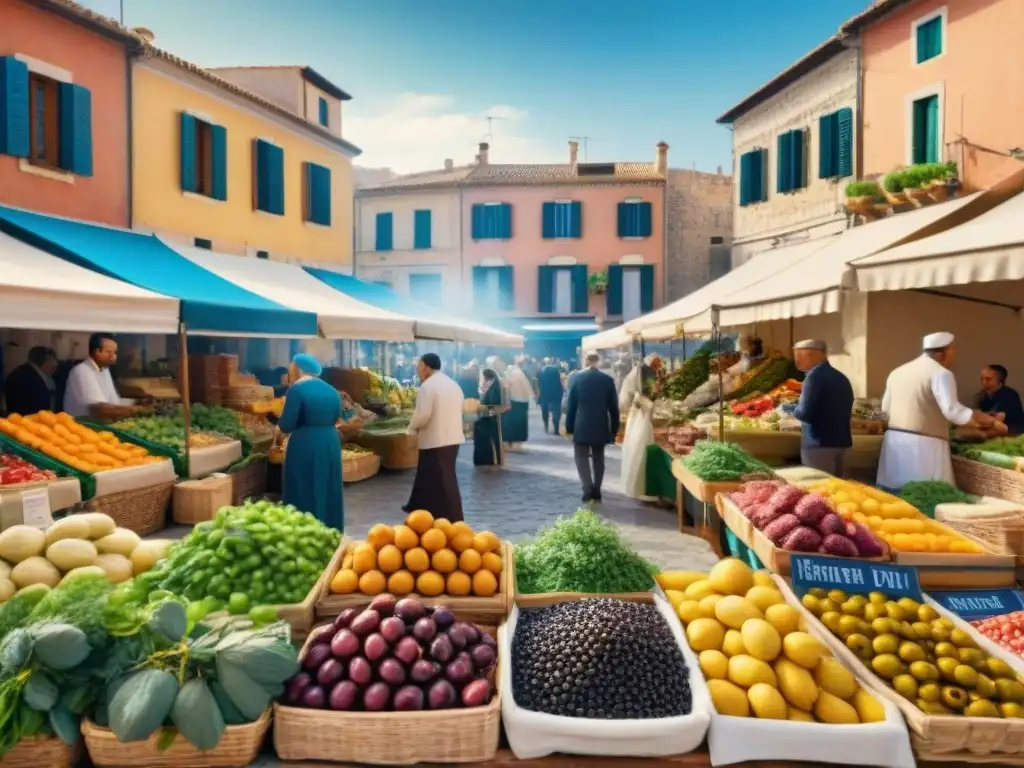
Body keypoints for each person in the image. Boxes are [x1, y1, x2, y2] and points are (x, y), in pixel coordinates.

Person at [877, 332, 1006, 489]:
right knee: (924, 494)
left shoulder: (897, 372)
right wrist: (988, 420)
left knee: (893, 495)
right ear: (944, 352)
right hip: (924, 448)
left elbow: (884, 410)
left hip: (894, 443)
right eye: (953, 350)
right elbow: (953, 411)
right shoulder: (940, 373)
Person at [278, 354, 343, 529]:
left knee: (304, 484)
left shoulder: (296, 390)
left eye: (291, 369)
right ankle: (330, 526)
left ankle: (305, 527)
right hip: (330, 442)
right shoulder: (332, 390)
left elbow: (286, 424)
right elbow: (337, 418)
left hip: (305, 443)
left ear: (297, 370)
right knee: (327, 483)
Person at [405, 353, 466, 521]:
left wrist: (411, 428)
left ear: (425, 366)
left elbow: (423, 415)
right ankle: (425, 513)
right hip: (452, 438)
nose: (418, 370)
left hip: (435, 441)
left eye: (419, 366)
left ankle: (452, 517)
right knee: (434, 479)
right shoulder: (453, 384)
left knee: (441, 481)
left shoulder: (428, 386)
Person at [790, 339, 854, 477]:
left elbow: (805, 413)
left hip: (818, 443)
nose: (797, 361)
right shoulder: (840, 377)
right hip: (842, 442)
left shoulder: (813, 376)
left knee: (820, 488)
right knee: (839, 490)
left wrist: (791, 409)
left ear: (812, 355)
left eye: (799, 355)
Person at [565, 351, 620, 502]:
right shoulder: (607, 380)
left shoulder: (577, 378)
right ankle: (597, 489)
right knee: (599, 457)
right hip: (600, 423)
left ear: (586, 361)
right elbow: (614, 408)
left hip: (581, 423)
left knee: (581, 457)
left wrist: (569, 427)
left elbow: (571, 405)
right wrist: (614, 429)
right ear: (598, 362)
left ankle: (587, 488)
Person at [63, 334, 137, 419]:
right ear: (97, 352)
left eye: (114, 352)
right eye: (109, 352)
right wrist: (136, 410)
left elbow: (114, 402)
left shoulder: (105, 369)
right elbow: (100, 409)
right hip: (80, 428)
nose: (113, 356)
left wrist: (136, 402)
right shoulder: (82, 371)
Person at [3, 347, 58, 416]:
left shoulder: (27, 373)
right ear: (45, 362)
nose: (56, 364)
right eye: (52, 360)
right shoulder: (24, 377)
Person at [979, 364, 1024, 435]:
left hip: (1014, 430)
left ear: (1000, 381)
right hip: (994, 427)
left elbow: (999, 418)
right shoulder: (983, 396)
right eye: (982, 379)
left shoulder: (1009, 395)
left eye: (988, 379)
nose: (983, 382)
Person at [473, 368, 504, 466]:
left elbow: (496, 403)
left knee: (495, 439)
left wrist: (483, 407)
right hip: (487, 415)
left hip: (491, 416)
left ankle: (498, 459)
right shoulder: (491, 384)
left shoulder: (494, 386)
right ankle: (495, 458)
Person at [502, 357, 533, 448]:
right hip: (521, 400)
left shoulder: (506, 373)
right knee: (520, 422)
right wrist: (531, 397)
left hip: (510, 399)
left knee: (509, 422)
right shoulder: (519, 373)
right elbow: (527, 385)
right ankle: (517, 441)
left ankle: (508, 440)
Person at [536, 358, 565, 434]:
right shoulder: (556, 370)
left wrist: (538, 396)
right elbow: (560, 381)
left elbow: (538, 385)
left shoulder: (540, 371)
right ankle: (556, 429)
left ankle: (546, 427)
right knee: (556, 412)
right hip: (556, 394)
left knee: (544, 411)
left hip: (544, 394)